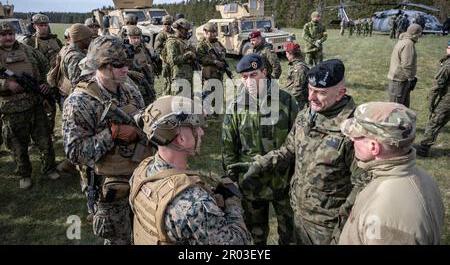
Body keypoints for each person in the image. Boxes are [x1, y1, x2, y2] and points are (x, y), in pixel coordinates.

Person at [229, 59, 369, 245]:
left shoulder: (355, 130)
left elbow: (362, 187)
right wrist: (259, 164)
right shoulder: (306, 115)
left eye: (320, 92)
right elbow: (289, 149)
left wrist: (343, 226)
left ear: (340, 93)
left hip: (327, 226)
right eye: (310, 90)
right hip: (298, 213)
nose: (311, 97)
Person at [62, 35, 152, 244]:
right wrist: (113, 134)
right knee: (118, 239)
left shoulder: (129, 89)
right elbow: (75, 153)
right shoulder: (79, 102)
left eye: (126, 64)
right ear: (102, 66)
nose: (125, 69)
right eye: (119, 65)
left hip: (138, 176)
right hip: (109, 189)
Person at [129, 95, 253, 245]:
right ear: (180, 139)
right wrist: (233, 205)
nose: (201, 132)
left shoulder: (142, 171)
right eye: (196, 128)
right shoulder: (195, 204)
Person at [338, 102, 445, 245]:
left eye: (356, 137)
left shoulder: (385, 214)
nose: (351, 139)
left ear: (374, 147)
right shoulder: (423, 178)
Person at [223, 54, 299, 245]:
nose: (249, 82)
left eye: (253, 75)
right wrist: (232, 180)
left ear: (265, 72)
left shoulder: (287, 101)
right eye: (244, 77)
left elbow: (298, 142)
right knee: (255, 236)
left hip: (283, 182)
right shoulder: (235, 107)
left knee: (290, 234)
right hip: (252, 185)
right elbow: (228, 147)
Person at [0, 21, 59, 189]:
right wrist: (6, 85)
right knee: (18, 144)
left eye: (10, 33)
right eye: (3, 35)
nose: (8, 37)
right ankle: (24, 174)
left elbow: (46, 66)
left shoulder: (26, 49)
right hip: (11, 108)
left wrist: (45, 83)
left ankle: (49, 168)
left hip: (34, 103)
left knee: (44, 139)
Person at [23, 13, 63, 135]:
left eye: (45, 25)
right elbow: (28, 65)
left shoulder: (55, 39)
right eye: (41, 25)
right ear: (34, 26)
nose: (44, 27)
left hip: (57, 80)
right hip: (41, 82)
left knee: (59, 107)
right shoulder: (29, 41)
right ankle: (44, 134)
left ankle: (50, 132)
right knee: (45, 109)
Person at [416, 40, 450, 157]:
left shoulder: (448, 65)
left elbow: (437, 86)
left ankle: (423, 149)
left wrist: (431, 103)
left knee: (434, 122)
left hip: (447, 101)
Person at [387, 24, 423, 108]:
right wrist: (411, 78)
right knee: (396, 108)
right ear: (415, 33)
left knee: (401, 108)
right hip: (400, 80)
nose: (420, 35)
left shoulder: (403, 41)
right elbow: (407, 64)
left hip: (399, 78)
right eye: (420, 33)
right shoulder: (408, 44)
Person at [124, 25, 156, 105]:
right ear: (128, 37)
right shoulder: (123, 51)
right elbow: (117, 69)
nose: (137, 40)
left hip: (145, 83)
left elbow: (147, 62)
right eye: (134, 38)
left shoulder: (140, 49)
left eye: (138, 38)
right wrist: (132, 73)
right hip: (133, 86)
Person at [164, 18, 197, 97]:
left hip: (188, 76)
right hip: (179, 78)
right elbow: (173, 60)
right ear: (179, 29)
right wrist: (188, 54)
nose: (187, 32)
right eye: (185, 30)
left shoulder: (183, 41)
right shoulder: (172, 42)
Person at [284, 42, 309, 109]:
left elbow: (298, 89)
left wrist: (287, 101)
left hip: (296, 100)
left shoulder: (299, 68)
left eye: (286, 53)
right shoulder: (296, 64)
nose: (286, 55)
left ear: (291, 54)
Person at [154, 15, 174, 95]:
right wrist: (163, 56)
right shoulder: (161, 35)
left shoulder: (175, 33)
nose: (167, 26)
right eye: (165, 24)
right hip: (166, 60)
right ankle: (166, 94)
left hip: (174, 60)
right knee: (167, 80)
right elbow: (157, 48)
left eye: (169, 24)